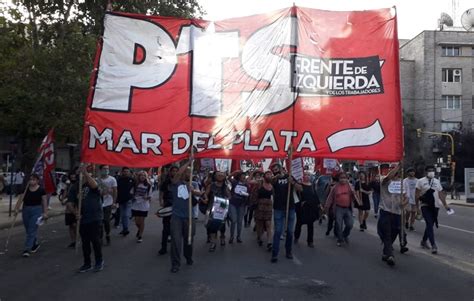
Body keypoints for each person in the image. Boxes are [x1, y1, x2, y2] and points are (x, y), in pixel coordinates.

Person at [169, 159, 199, 273]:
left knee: (189, 239)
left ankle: (188, 256)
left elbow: (199, 194)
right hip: (177, 217)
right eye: (185, 172)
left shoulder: (192, 184)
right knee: (176, 241)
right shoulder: (175, 183)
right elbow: (177, 174)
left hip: (189, 216)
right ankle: (175, 263)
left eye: (189, 172)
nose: (186, 173)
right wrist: (189, 162)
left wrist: (197, 192)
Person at [377, 164, 409, 266]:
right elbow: (388, 178)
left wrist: (403, 203)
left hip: (397, 212)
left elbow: (406, 197)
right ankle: (390, 255)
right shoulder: (384, 180)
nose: (396, 174)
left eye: (397, 172)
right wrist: (399, 165)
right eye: (393, 170)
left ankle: (386, 252)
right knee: (387, 232)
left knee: (395, 232)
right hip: (385, 210)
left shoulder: (402, 184)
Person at [415, 166, 451, 254]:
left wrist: (445, 205)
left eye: (432, 171)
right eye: (429, 171)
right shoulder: (420, 181)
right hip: (425, 205)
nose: (431, 172)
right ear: (426, 172)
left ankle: (423, 241)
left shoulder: (436, 181)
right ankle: (433, 245)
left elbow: (440, 194)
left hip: (435, 206)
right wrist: (417, 208)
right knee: (429, 223)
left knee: (430, 224)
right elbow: (416, 195)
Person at [270, 163, 302, 263]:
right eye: (274, 170)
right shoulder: (274, 179)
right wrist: (275, 177)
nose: (275, 170)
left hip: (290, 207)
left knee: (289, 231)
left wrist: (292, 182)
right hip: (278, 208)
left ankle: (289, 251)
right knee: (278, 231)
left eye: (276, 169)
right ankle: (275, 253)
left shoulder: (290, 177)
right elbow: (270, 183)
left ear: (281, 168)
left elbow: (300, 188)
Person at [77, 164, 104, 273]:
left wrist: (85, 173)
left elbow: (95, 186)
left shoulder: (93, 185)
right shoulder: (77, 187)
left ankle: (99, 261)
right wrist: (76, 213)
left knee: (95, 241)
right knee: (85, 242)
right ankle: (87, 263)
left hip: (94, 218)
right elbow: (72, 202)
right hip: (83, 219)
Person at [325, 172, 361, 247]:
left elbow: (354, 197)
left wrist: (354, 195)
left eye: (344, 178)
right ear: (339, 179)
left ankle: (344, 235)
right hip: (338, 208)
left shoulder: (350, 186)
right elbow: (330, 197)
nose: (343, 179)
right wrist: (326, 207)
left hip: (347, 208)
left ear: (347, 179)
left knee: (350, 224)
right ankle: (340, 239)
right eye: (341, 178)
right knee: (338, 224)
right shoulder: (335, 187)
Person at [21, 174, 48, 257]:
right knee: (28, 229)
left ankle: (27, 248)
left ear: (37, 181)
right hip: (26, 210)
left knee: (32, 229)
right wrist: (15, 209)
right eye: (30, 179)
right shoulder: (26, 189)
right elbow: (20, 198)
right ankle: (34, 243)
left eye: (33, 179)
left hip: (36, 210)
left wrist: (45, 212)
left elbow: (44, 201)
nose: (31, 181)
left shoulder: (41, 190)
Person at [204, 171, 231, 252]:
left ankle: (222, 236)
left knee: (222, 225)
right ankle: (213, 243)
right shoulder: (211, 185)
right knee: (212, 226)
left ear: (224, 177)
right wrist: (206, 198)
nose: (220, 177)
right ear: (215, 176)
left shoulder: (225, 186)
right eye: (218, 175)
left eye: (222, 175)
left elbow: (229, 196)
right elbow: (206, 194)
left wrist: (227, 199)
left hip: (222, 207)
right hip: (212, 207)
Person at [294, 172, 320, 248]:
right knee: (299, 223)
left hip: (311, 207)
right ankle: (296, 237)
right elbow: (296, 195)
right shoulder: (299, 185)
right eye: (305, 175)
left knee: (310, 224)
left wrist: (319, 204)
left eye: (308, 175)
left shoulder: (312, 185)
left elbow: (315, 195)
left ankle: (310, 241)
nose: (307, 176)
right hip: (302, 208)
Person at [158, 165, 178, 255]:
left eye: (176, 171)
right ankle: (163, 247)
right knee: (165, 227)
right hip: (167, 206)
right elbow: (161, 192)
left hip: (178, 207)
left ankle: (176, 246)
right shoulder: (165, 182)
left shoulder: (181, 182)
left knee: (176, 228)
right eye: (173, 171)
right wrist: (161, 200)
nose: (174, 172)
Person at [253, 170, 274, 251]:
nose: (269, 176)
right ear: (264, 176)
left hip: (269, 206)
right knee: (260, 225)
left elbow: (273, 196)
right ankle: (259, 237)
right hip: (260, 206)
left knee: (268, 224)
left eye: (270, 174)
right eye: (267, 174)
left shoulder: (272, 186)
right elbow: (249, 182)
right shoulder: (259, 183)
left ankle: (269, 243)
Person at [97, 165, 117, 245]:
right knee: (100, 221)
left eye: (107, 168)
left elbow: (115, 191)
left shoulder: (112, 179)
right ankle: (100, 237)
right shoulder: (97, 179)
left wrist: (114, 202)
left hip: (108, 202)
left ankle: (107, 235)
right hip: (99, 203)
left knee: (106, 220)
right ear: (100, 169)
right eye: (104, 168)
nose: (106, 170)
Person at [131, 171, 152, 243]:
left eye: (144, 175)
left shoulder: (148, 185)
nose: (142, 177)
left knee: (142, 220)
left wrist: (147, 197)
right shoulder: (135, 185)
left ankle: (140, 236)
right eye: (141, 175)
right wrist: (133, 197)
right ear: (139, 176)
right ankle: (139, 229)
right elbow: (131, 193)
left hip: (144, 205)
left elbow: (150, 196)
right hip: (136, 205)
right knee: (137, 221)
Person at [228, 171, 249, 244]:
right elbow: (228, 178)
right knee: (234, 220)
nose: (243, 177)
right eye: (242, 176)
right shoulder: (235, 182)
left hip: (242, 205)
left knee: (240, 221)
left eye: (244, 176)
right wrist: (235, 172)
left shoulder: (246, 185)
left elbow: (247, 196)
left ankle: (238, 237)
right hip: (233, 204)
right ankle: (231, 236)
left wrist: (246, 206)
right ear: (239, 177)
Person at [61, 171, 79, 248]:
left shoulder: (79, 185)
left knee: (75, 225)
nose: (73, 177)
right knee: (71, 226)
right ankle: (73, 241)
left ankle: (77, 239)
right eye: (71, 176)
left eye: (74, 176)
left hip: (76, 208)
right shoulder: (68, 186)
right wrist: (63, 200)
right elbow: (63, 197)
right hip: (68, 209)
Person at [116, 167, 135, 236]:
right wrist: (116, 200)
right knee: (123, 215)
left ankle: (126, 229)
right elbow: (116, 190)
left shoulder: (132, 180)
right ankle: (124, 229)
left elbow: (135, 188)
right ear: (122, 172)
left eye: (127, 171)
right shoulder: (119, 180)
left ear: (129, 172)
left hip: (128, 200)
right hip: (120, 200)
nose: (126, 172)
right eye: (125, 171)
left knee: (126, 215)